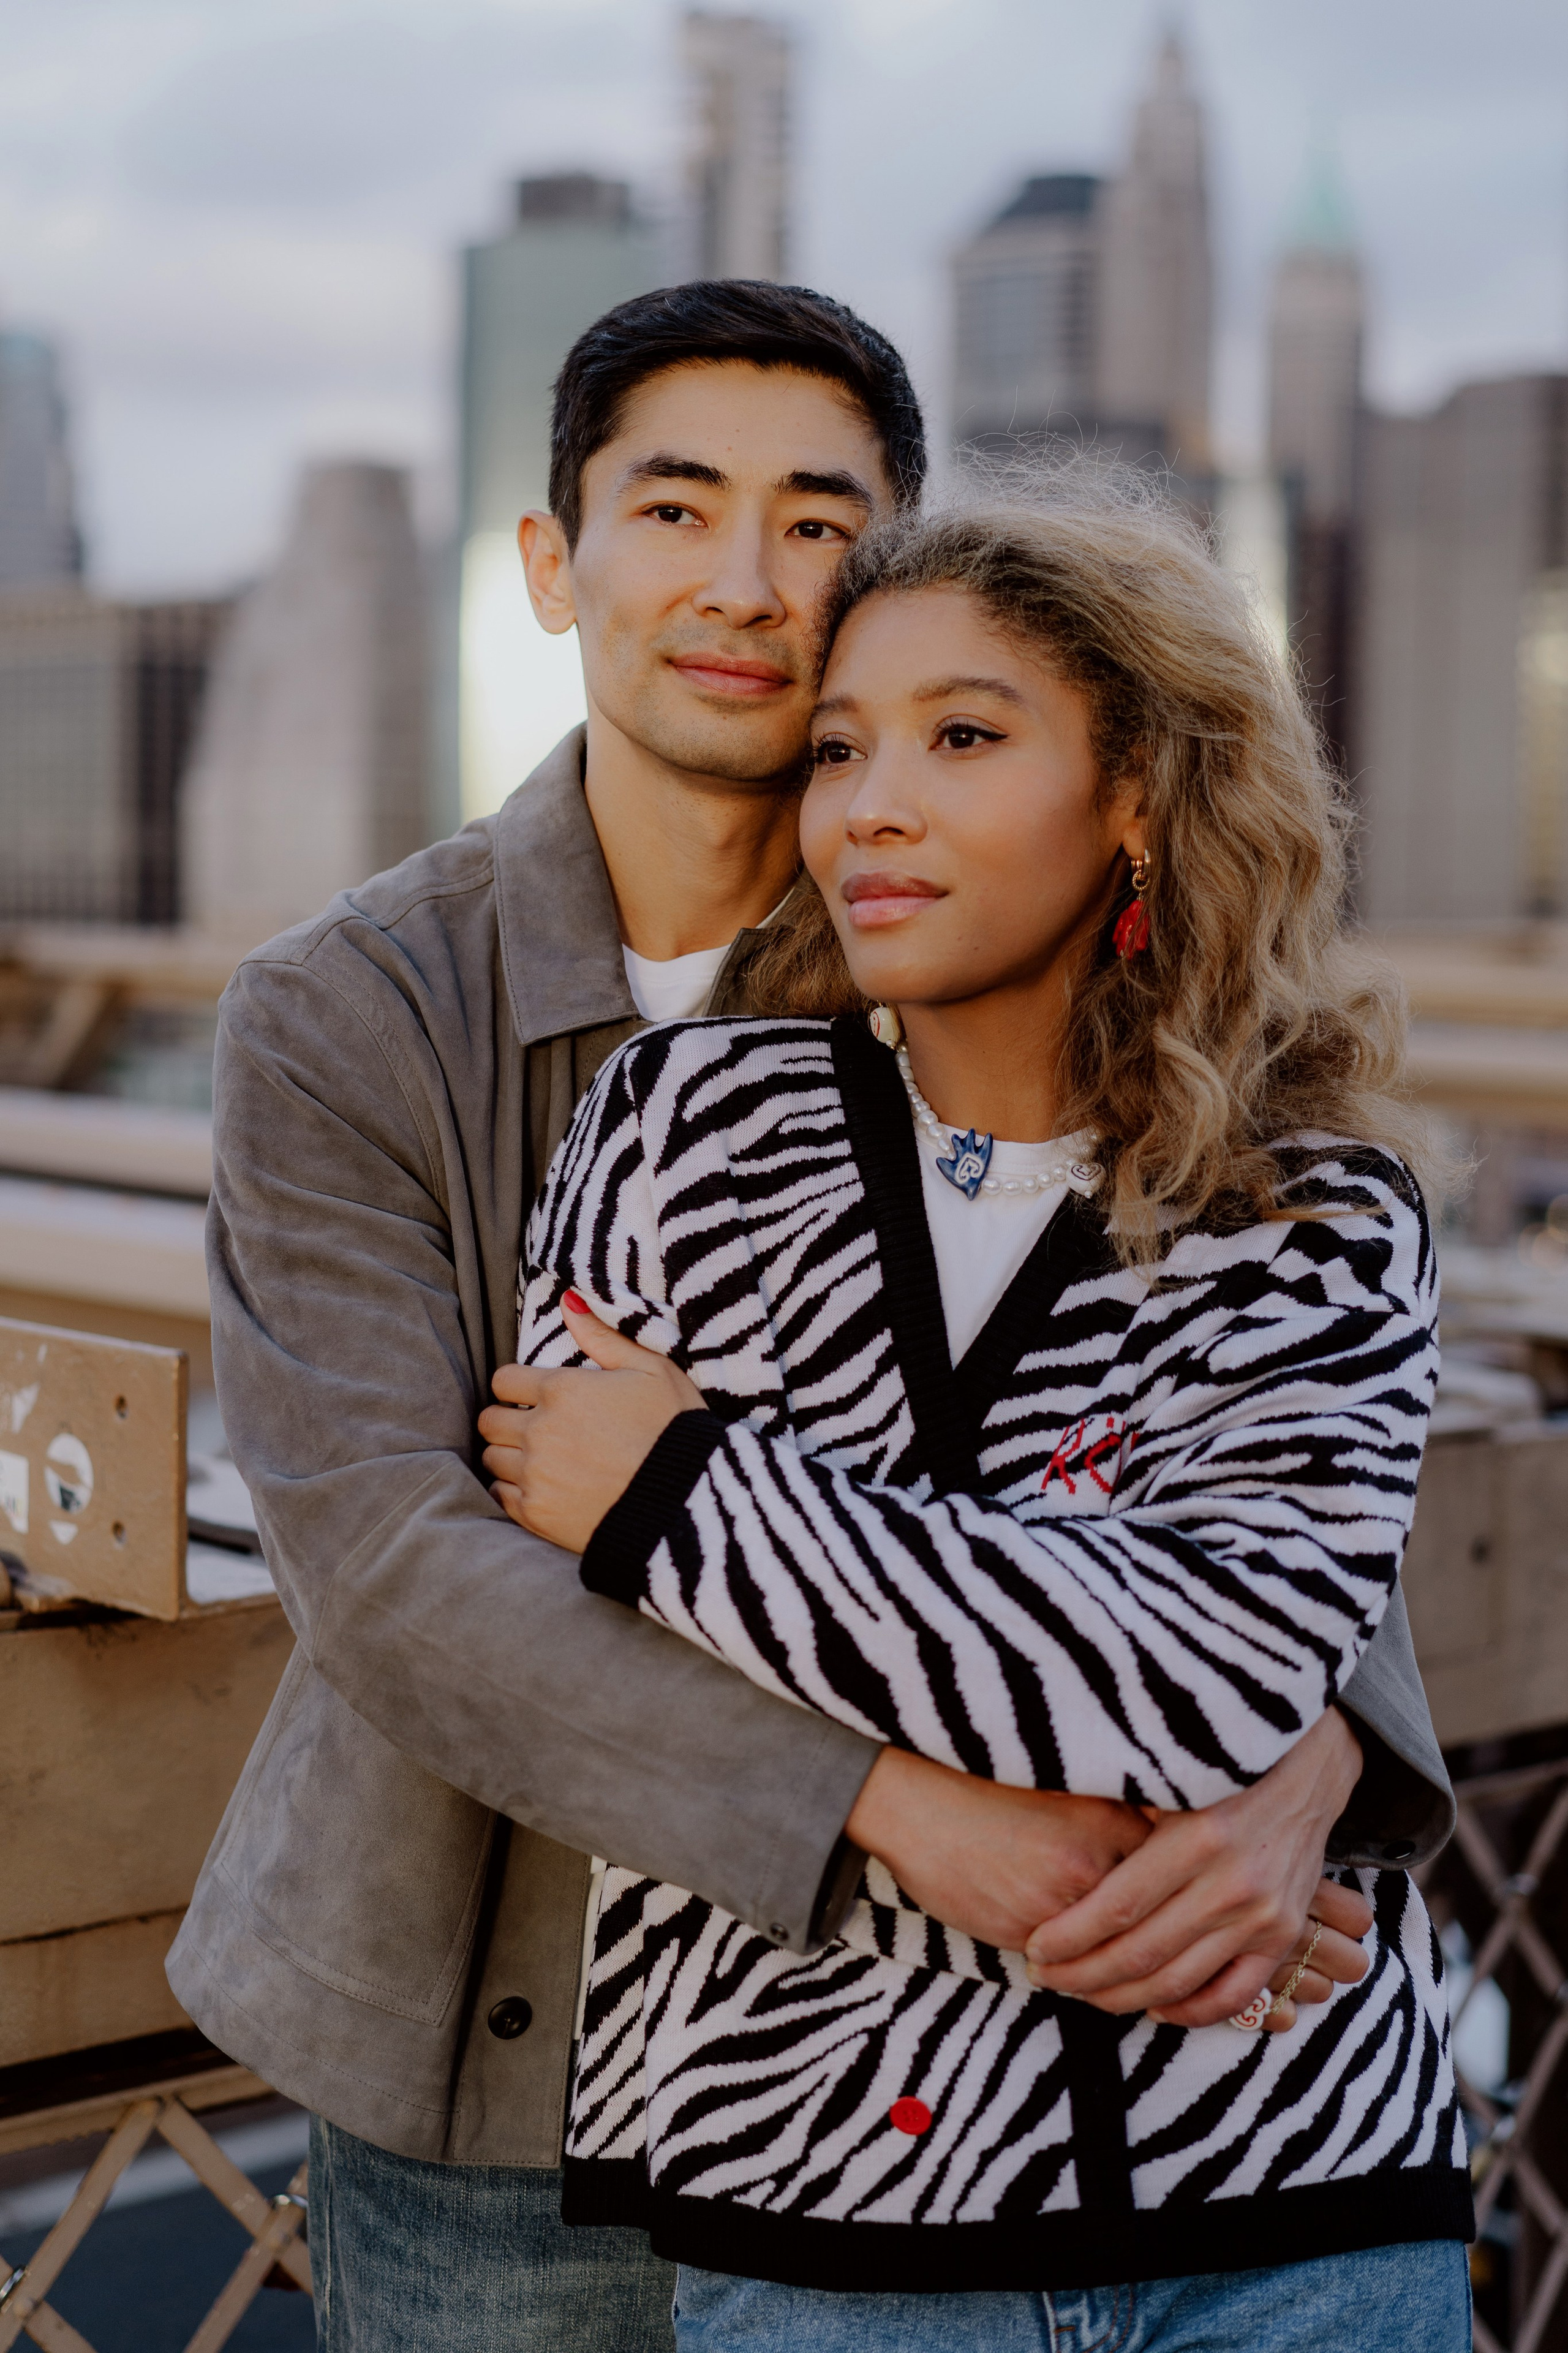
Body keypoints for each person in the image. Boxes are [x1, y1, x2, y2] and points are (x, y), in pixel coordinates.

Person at [170, 282, 1453, 2351]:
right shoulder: (352, 1006)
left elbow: (1254, 1405)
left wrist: (1311, 1744)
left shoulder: (972, 924)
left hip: (1053, 2089)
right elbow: (401, 1561)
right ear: (552, 563)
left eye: (816, 519)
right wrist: (925, 1819)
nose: (746, 585)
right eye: (674, 511)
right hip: (502, 2015)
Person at [483, 476, 1473, 2350]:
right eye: (839, 747)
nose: (871, 805)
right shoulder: (681, 1138)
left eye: (962, 735)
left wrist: (684, 1486)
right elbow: (570, 1635)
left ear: (1135, 801)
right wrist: (1022, 1683)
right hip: (820, 2202)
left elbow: (1206, 1679)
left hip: (1287, 2196)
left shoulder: (1314, 1205)